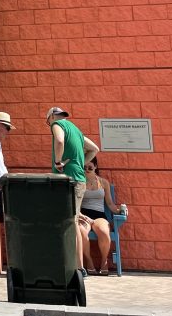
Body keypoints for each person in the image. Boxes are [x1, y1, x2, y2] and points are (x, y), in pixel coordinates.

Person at [45, 106, 100, 270]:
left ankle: (78, 267)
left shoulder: (57, 125)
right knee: (68, 220)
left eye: (47, 122)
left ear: (51, 118)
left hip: (66, 181)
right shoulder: (75, 130)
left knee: (71, 222)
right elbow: (95, 149)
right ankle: (71, 264)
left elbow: (60, 140)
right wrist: (80, 164)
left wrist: (58, 162)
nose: (48, 125)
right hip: (79, 179)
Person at [81, 159, 125, 275]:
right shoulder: (79, 181)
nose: (87, 170)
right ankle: (89, 261)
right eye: (84, 167)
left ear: (95, 167)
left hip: (99, 214)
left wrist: (120, 210)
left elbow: (110, 204)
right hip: (83, 215)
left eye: (90, 167)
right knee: (82, 232)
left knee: (104, 232)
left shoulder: (103, 182)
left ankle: (104, 261)